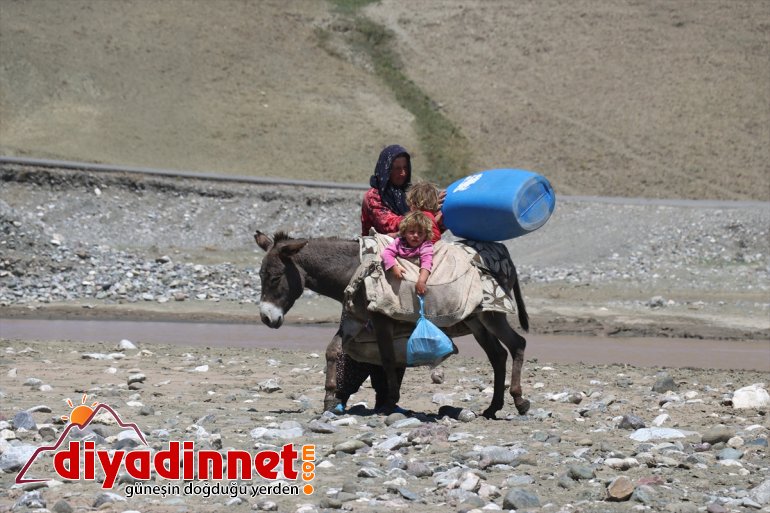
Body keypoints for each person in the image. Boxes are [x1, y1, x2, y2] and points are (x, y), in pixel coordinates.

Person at [382, 211, 434, 296]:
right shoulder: (399, 242)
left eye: (420, 233)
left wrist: (421, 281)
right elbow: (386, 253)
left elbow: (426, 263)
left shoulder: (426, 246)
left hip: (416, 277)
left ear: (426, 235)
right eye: (411, 232)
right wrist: (393, 267)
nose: (416, 235)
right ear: (404, 232)